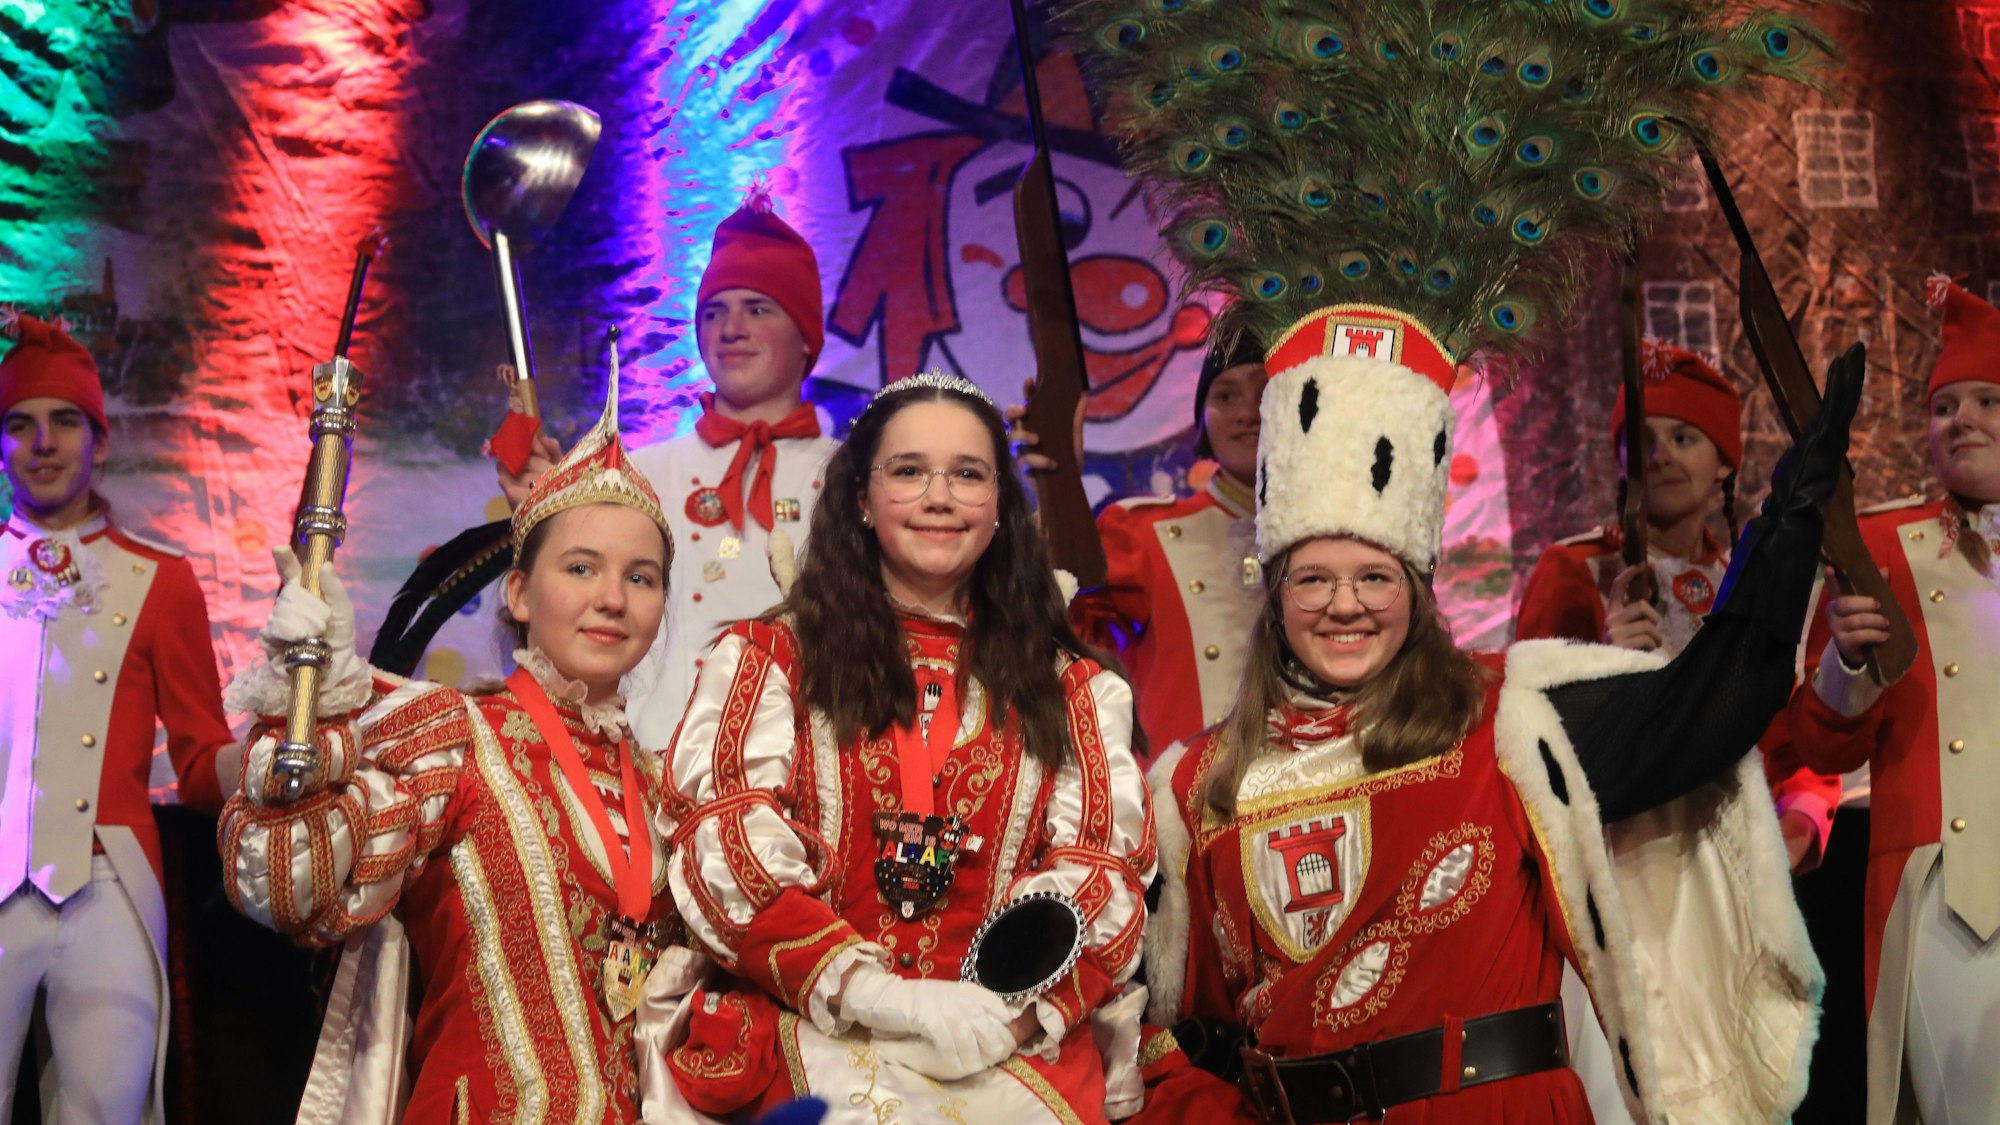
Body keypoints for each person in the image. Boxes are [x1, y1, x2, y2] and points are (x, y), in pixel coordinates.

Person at [1139, 305, 1848, 1123]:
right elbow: (1176, 1031)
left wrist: (1791, 522)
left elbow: (1708, 709)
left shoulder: (1508, 717)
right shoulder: (1196, 783)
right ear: (1276, 592)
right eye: (1313, 578)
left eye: (1375, 576)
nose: (1345, 605)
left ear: (1417, 588)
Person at [655, 372, 1154, 1124]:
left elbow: (1100, 878)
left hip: (1007, 1060)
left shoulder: (1074, 688)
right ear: (861, 498)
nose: (940, 496)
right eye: (910, 471)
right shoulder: (771, 658)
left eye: (968, 474)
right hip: (810, 1038)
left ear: (1000, 511)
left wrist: (1000, 1023)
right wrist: (881, 998)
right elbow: (724, 836)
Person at [219, 364, 689, 1123]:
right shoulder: (454, 737)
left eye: (641, 577)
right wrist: (302, 704)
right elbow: (285, 885)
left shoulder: (666, 786)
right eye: (581, 567)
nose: (612, 597)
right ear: (518, 592)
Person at [0, 312, 236, 1125]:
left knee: (108, 1108)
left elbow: (203, 759)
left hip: (105, 878)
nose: (44, 442)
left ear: (99, 437)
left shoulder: (160, 580)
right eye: (20, 423)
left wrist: (273, 755)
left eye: (66, 420)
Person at [499, 187, 837, 751]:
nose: (731, 328)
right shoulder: (637, 475)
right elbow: (564, 625)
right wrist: (547, 519)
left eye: (758, 308)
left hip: (809, 762)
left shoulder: (858, 477)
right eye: (714, 311)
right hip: (657, 767)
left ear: (806, 337)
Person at [1783, 275, 2000, 1125]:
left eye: (1989, 401)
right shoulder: (1880, 546)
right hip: (1955, 890)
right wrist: (1845, 661)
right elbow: (1821, 742)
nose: (1964, 420)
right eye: (1947, 406)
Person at [1517, 340, 1838, 873]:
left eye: (1683, 438)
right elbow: (1533, 735)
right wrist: (1607, 664)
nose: (1660, 456)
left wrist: (1798, 826)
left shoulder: (1748, 583)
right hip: (1628, 865)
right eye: (1641, 441)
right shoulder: (1577, 572)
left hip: (1744, 870)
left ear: (1723, 462)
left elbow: (1790, 741)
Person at [1012, 331, 1267, 756]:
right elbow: (1055, 634)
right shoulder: (1142, 530)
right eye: (1225, 396)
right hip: (1180, 802)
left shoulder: (1341, 533)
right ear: (1202, 417)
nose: (1246, 414)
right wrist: (1058, 489)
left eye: (1265, 393)